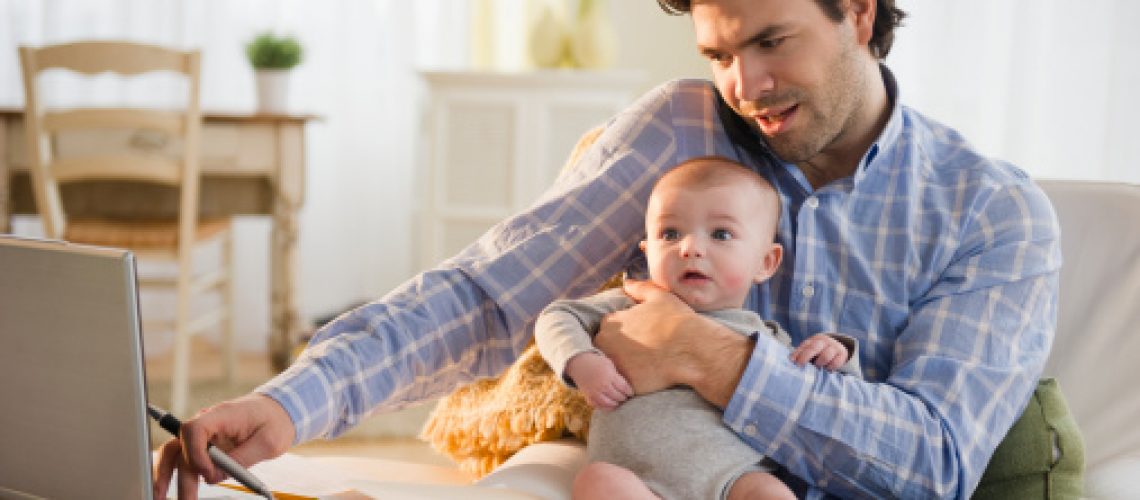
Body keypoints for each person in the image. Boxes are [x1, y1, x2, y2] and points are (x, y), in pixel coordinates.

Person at [154, 0, 1061, 498]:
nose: (745, 86)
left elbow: (934, 464)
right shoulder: (681, 130)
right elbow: (486, 297)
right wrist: (290, 401)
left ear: (860, 12)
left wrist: (714, 356)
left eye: (772, 41)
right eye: (718, 52)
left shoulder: (991, 212)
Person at [535, 156, 860, 500]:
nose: (690, 248)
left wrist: (835, 352)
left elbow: (822, 394)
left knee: (771, 493)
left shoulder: (762, 337)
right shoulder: (630, 304)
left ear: (765, 262)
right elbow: (557, 317)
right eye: (670, 234)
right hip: (634, 479)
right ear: (647, 254)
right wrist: (582, 362)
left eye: (721, 234)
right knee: (596, 481)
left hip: (733, 480)